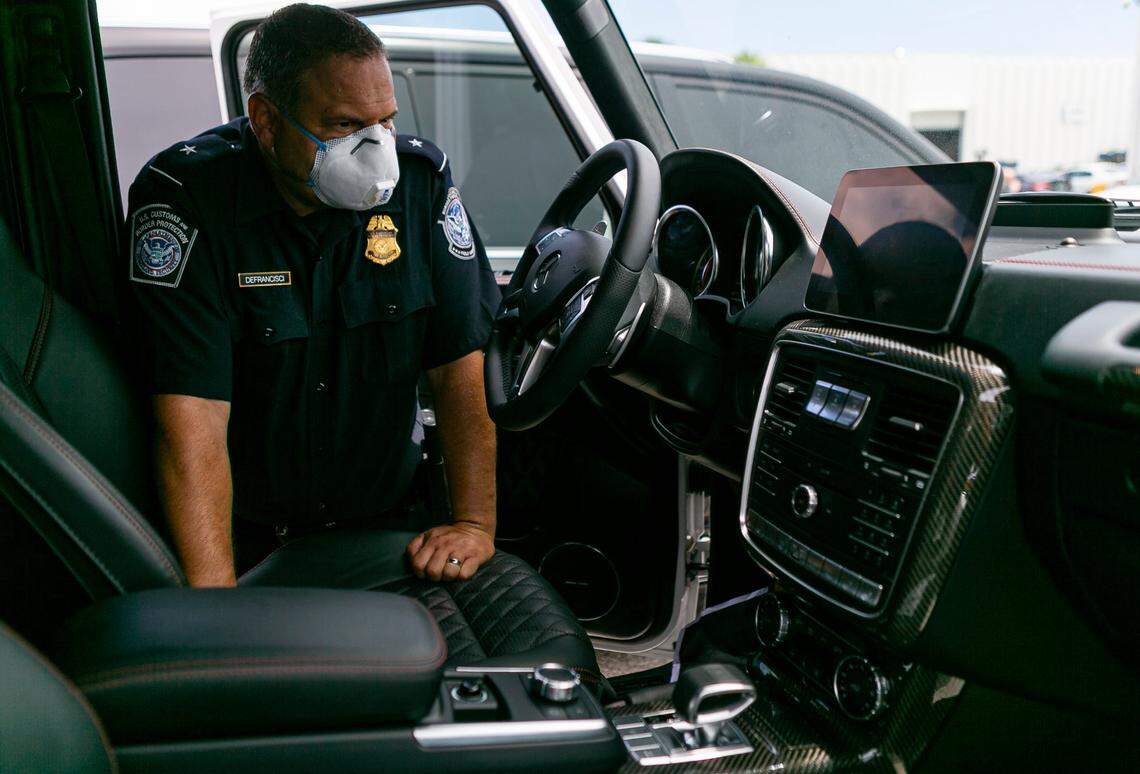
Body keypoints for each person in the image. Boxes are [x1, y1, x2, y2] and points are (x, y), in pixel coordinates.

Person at [124, 3, 501, 588]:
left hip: (389, 532)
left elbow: (458, 371)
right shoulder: (188, 201)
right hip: (251, 546)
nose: (376, 150)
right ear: (267, 122)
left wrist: (473, 523)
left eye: (386, 122)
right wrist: (215, 613)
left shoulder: (419, 184)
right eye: (346, 126)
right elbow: (192, 421)